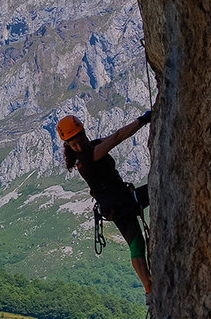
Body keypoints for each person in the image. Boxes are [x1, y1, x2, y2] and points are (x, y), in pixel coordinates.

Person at [57, 111, 153, 294]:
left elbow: (112, 137)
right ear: (68, 145)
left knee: (137, 241)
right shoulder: (88, 157)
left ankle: (149, 287)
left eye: (79, 139)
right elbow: (117, 137)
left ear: (84, 134)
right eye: (73, 143)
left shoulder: (93, 148)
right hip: (119, 206)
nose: (78, 145)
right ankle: (149, 288)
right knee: (136, 243)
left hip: (122, 201)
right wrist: (142, 120)